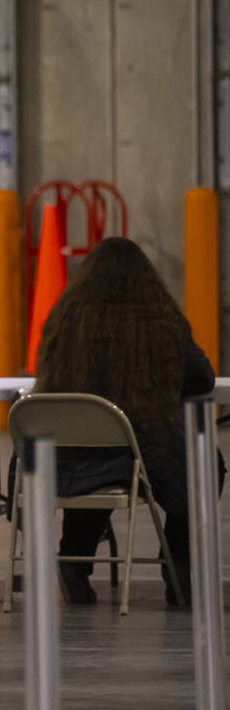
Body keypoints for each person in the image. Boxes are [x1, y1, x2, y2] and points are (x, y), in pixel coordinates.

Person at [32, 236, 222, 605]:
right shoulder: (161, 322)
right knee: (204, 463)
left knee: (97, 458)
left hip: (63, 460)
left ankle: (74, 559)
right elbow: (202, 377)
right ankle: (177, 561)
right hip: (142, 450)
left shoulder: (63, 322)